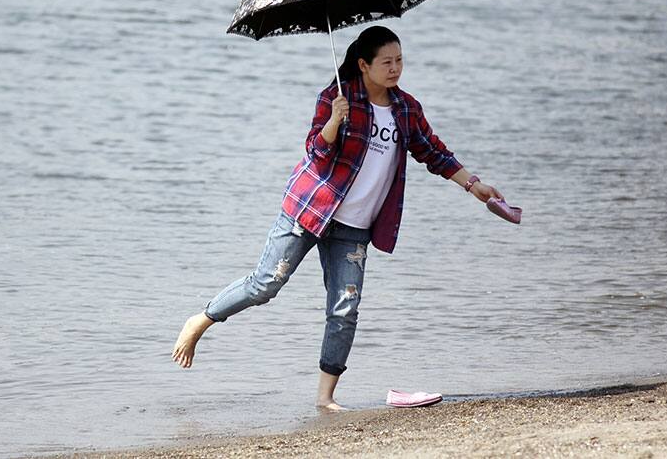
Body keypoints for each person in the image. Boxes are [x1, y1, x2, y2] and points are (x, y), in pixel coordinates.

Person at [171, 25, 503, 411]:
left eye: (400, 60)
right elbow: (315, 153)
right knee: (266, 285)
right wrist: (334, 120)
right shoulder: (338, 98)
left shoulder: (406, 109)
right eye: (386, 62)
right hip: (311, 210)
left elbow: (433, 152)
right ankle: (201, 320)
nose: (395, 68)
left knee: (345, 308)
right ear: (363, 65)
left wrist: (472, 184)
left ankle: (325, 397)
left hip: (355, 227)